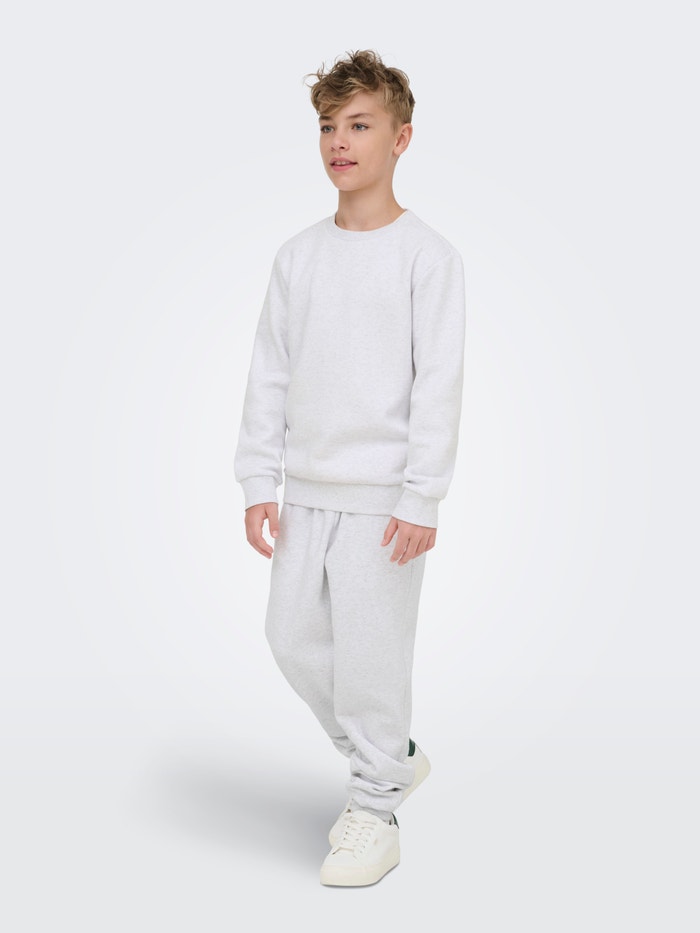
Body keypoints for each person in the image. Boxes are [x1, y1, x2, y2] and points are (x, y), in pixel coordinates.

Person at [234, 48, 466, 887]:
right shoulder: (298, 257)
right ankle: (391, 755)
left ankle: (375, 804)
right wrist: (258, 478)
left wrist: (422, 495)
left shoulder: (427, 257)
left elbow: (439, 383)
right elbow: (269, 371)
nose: (340, 140)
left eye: (360, 124)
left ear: (401, 138)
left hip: (383, 503)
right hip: (306, 492)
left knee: (371, 657)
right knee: (290, 637)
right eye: (329, 125)